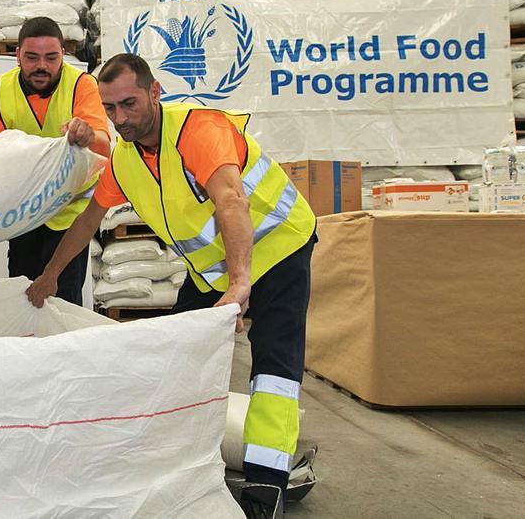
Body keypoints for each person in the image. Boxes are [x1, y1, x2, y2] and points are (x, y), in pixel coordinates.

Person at [24, 53, 317, 519]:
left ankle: (266, 488)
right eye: (111, 108)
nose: (121, 118)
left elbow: (230, 199)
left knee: (274, 368)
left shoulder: (198, 131)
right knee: (175, 349)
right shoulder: (125, 161)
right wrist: (51, 274)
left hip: (278, 248)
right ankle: (176, 456)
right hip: (216, 269)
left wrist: (242, 285)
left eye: (130, 104)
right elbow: (87, 221)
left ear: (155, 92)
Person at [0, 17, 111, 306]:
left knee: (63, 299)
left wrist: (87, 135)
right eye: (32, 57)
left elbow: (104, 145)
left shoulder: (82, 85)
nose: (42, 66)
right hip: (23, 214)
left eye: (51, 58)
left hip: (69, 214)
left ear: (64, 54)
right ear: (17, 55)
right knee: (23, 296)